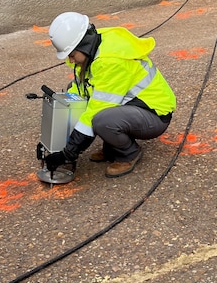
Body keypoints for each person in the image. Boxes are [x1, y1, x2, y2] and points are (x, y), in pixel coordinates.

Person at [43, 12, 176, 178]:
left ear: (83, 45)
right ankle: (112, 147)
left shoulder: (112, 62)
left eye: (71, 55)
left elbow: (95, 110)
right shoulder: (95, 47)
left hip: (154, 114)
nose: (70, 61)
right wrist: (64, 105)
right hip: (133, 107)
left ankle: (129, 154)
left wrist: (67, 154)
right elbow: (82, 90)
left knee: (101, 119)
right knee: (75, 93)